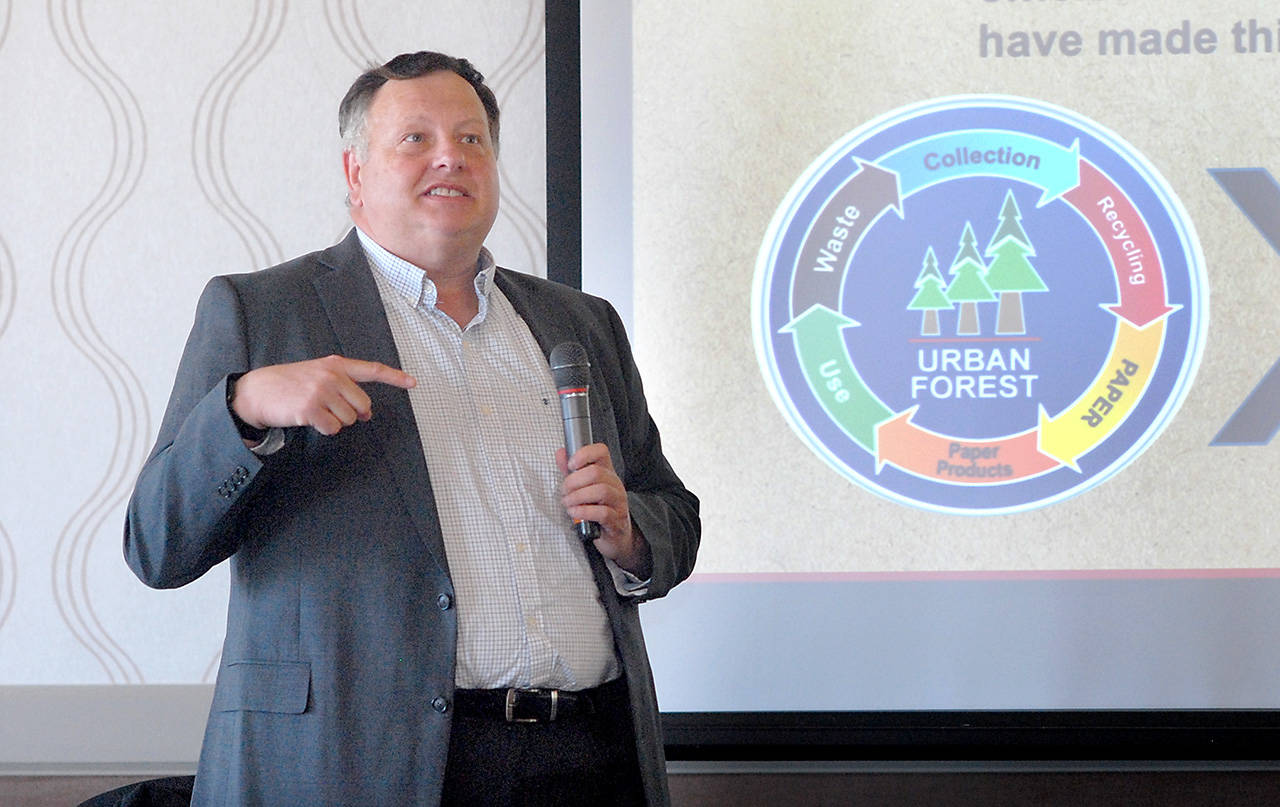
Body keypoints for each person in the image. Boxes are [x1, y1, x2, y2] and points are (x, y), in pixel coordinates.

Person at [124, 50, 699, 806]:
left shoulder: (581, 322)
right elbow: (155, 545)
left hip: (587, 756)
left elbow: (673, 512)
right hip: (365, 762)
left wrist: (631, 533)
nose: (449, 158)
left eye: (471, 140)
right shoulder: (264, 312)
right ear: (355, 172)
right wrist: (243, 408)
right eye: (415, 139)